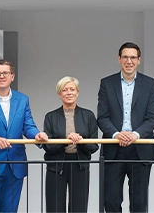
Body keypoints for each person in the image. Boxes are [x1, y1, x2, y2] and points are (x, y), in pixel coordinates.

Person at [0, 59, 48, 213]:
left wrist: (38, 135)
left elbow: (28, 126)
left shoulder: (23, 99)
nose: (2, 76)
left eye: (5, 72)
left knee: (10, 210)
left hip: (15, 163)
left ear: (12, 76)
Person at [97, 42, 154, 213]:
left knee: (139, 203)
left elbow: (153, 117)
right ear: (119, 59)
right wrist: (117, 134)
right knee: (110, 201)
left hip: (140, 149)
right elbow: (102, 117)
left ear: (139, 60)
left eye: (133, 57)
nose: (129, 61)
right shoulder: (107, 83)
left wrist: (135, 135)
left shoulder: (150, 84)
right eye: (125, 57)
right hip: (113, 150)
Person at [42, 76, 99, 213]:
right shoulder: (50, 116)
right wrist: (66, 140)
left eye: (72, 89)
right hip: (56, 166)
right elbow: (47, 147)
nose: (69, 93)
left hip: (80, 165)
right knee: (54, 207)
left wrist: (81, 141)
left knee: (79, 207)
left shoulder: (88, 115)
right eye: (64, 90)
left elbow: (94, 146)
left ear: (77, 92)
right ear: (59, 94)